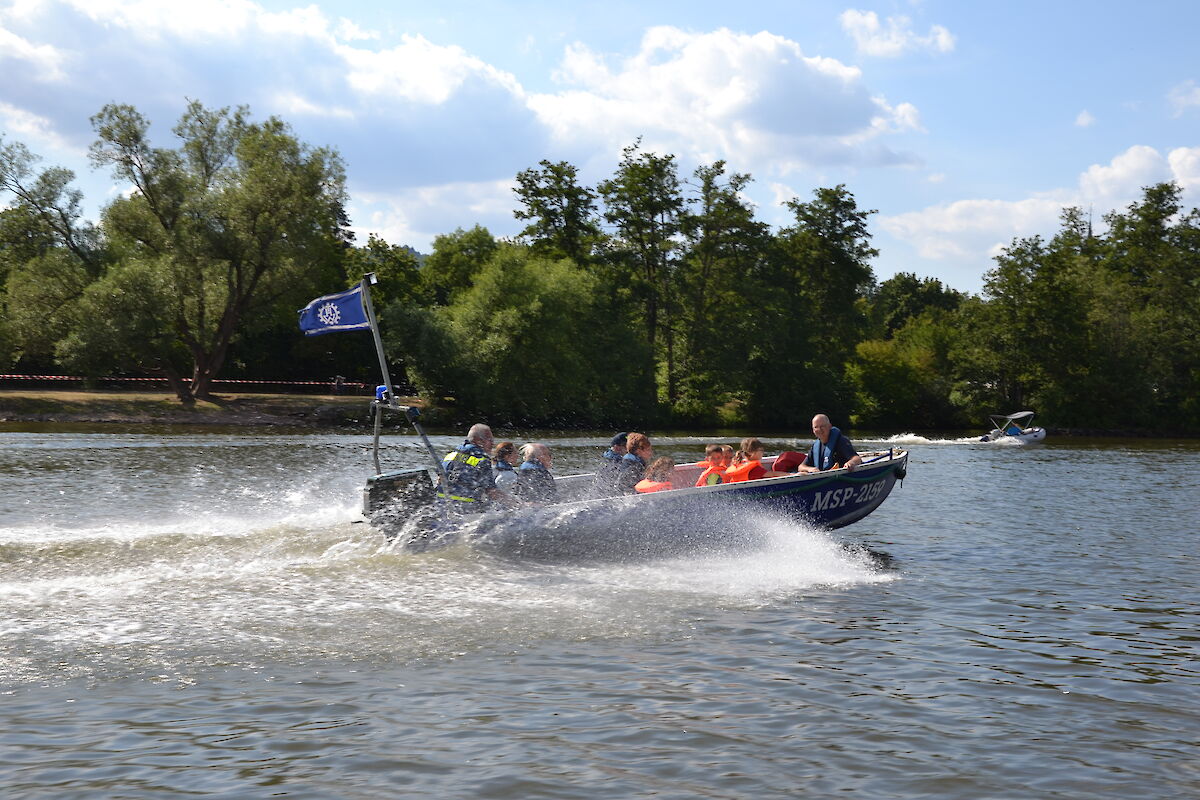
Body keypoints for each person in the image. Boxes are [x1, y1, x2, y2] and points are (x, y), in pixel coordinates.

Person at [438, 423, 517, 509]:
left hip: (442, 504)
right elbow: (492, 492)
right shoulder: (482, 460)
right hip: (466, 507)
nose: (493, 444)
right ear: (478, 440)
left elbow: (439, 480)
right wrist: (517, 504)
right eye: (490, 440)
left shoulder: (450, 455)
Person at [724, 437, 790, 483]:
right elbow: (772, 474)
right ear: (751, 453)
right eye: (761, 450)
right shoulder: (755, 469)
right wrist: (791, 475)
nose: (763, 452)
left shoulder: (741, 463)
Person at [592, 432, 628, 497]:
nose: (628, 450)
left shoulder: (607, 456)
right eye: (626, 446)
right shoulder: (615, 460)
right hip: (609, 494)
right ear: (617, 447)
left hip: (602, 492)